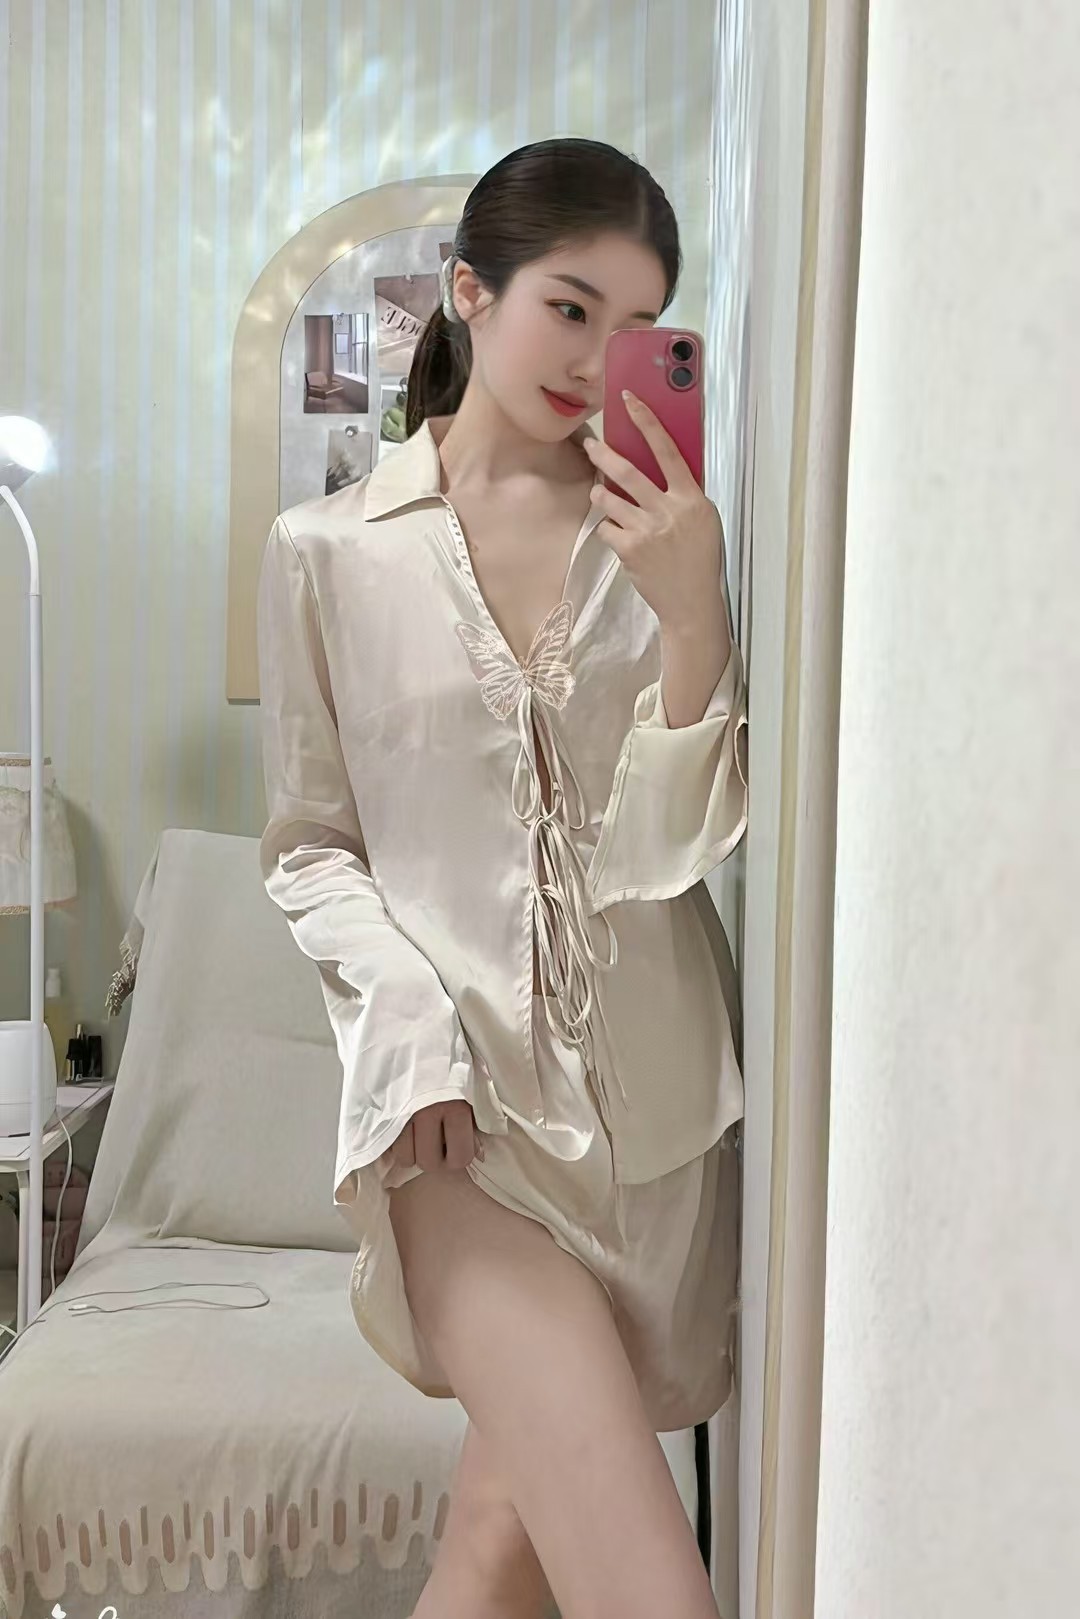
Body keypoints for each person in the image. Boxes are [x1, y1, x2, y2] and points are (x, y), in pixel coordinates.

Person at [257, 137, 749, 1619]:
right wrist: (405, 1017)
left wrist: (692, 621)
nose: (599, 359)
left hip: (655, 1132)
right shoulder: (328, 553)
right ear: (470, 292)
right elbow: (309, 846)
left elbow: (673, 851)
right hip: (456, 1123)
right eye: (569, 307)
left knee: (496, 1547)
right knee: (648, 1589)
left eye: (637, 324)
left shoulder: (659, 538)